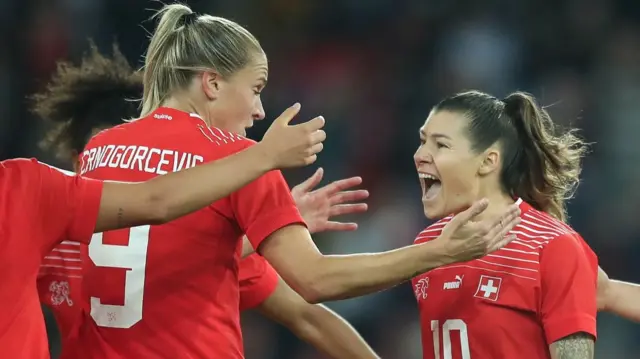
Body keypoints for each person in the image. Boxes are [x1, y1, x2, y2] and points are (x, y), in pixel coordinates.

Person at [68, 4, 521, 358]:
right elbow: (314, 281)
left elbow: (161, 249)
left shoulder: (98, 151)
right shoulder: (243, 162)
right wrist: (438, 252)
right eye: (257, 87)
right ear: (212, 84)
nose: (260, 111)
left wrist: (254, 231)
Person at [33, 43, 378, 358]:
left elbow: (308, 317)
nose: (131, 171)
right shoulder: (42, 243)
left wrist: (261, 233)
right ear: (81, 163)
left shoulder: (203, 245)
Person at [411, 90, 596, 359]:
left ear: (488, 161)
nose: (420, 155)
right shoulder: (428, 246)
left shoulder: (552, 246)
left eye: (441, 145)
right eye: (422, 141)